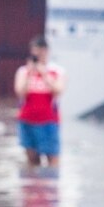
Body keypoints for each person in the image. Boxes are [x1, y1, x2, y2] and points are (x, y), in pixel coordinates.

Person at [13, 37, 66, 167]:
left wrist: (44, 73)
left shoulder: (56, 71)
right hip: (27, 120)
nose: (37, 55)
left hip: (49, 121)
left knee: (53, 161)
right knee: (32, 161)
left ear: (46, 51)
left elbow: (58, 91)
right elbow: (20, 92)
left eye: (40, 52)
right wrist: (30, 74)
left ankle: (51, 186)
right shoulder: (23, 71)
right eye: (34, 52)